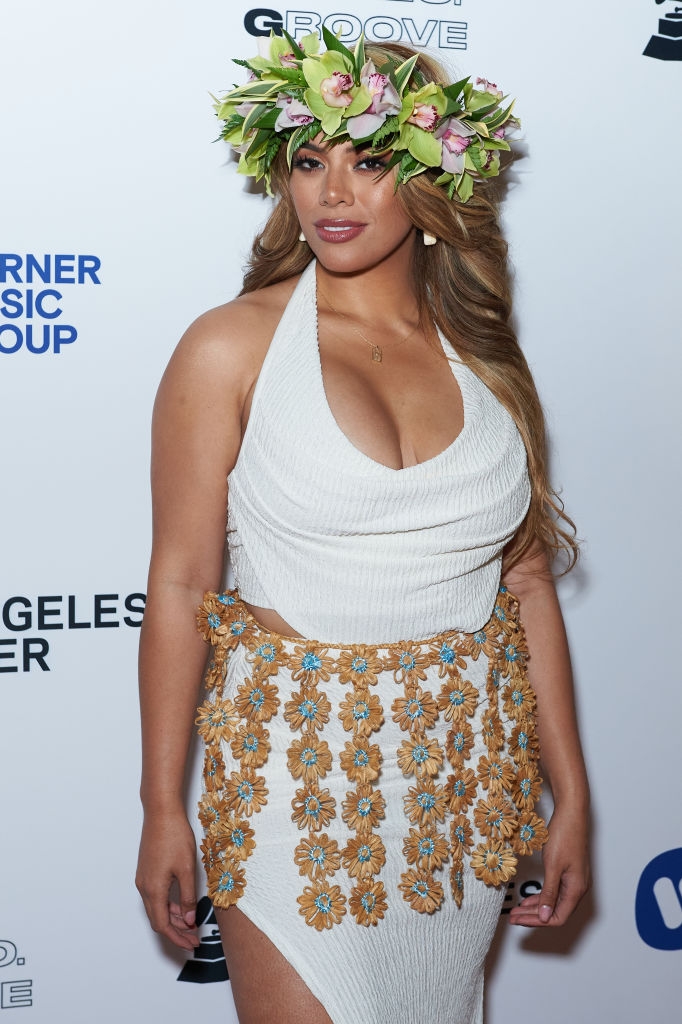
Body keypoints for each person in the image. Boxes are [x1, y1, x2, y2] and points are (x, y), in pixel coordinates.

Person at [135, 31, 590, 1024]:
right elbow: (178, 583)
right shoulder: (231, 346)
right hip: (298, 795)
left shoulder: (485, 359)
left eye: (368, 159)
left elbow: (523, 585)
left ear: (431, 181)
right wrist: (160, 804)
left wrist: (572, 797)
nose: (331, 192)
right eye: (309, 160)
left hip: (459, 799)